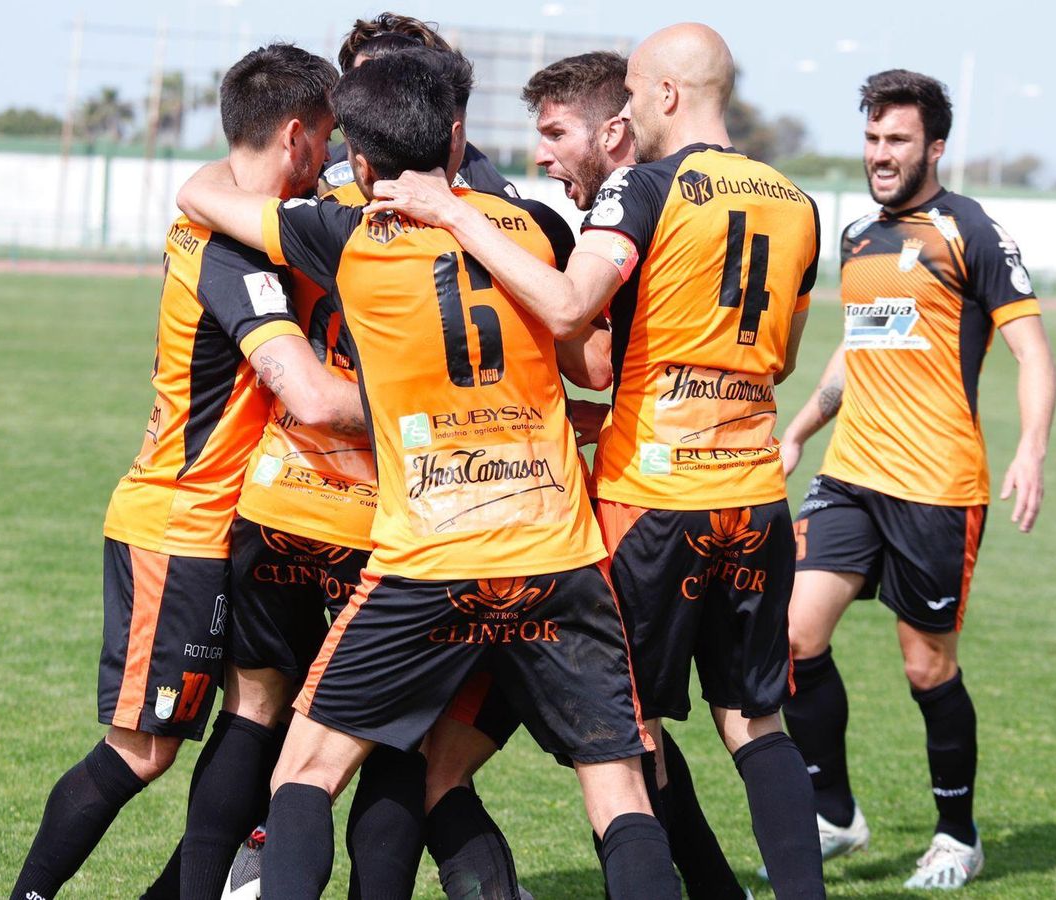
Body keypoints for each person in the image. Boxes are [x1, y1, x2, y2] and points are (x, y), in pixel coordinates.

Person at [176, 50, 680, 900]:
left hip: (428, 558)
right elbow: (587, 360)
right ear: (456, 139)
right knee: (619, 791)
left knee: (304, 769)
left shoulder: (340, 237)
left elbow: (202, 194)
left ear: (360, 164)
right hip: (556, 552)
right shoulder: (536, 229)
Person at [371, 22, 828, 898]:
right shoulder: (797, 201)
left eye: (635, 88)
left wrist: (454, 212)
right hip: (756, 495)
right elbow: (782, 355)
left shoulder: (645, 187)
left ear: (662, 96)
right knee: (756, 721)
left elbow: (570, 307)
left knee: (630, 740)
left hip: (652, 500)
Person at [6, 43, 363, 900]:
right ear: (295, 137)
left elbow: (216, 175)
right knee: (144, 749)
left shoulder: (236, 202)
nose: (337, 157)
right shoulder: (227, 250)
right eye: (328, 137)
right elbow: (310, 397)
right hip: (178, 524)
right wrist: (446, 418)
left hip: (230, 520)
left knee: (268, 715)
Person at [776, 69, 1056, 890]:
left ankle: (958, 834)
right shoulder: (858, 233)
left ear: (935, 146)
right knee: (793, 639)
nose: (879, 154)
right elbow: (860, 346)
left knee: (926, 670)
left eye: (896, 140)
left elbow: (1032, 352)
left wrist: (1032, 447)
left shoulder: (972, 231)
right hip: (852, 475)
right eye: (871, 138)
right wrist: (798, 430)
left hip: (936, 488)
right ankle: (835, 814)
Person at [519, 48, 753, 900]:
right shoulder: (738, 194)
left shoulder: (637, 201)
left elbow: (592, 351)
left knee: (620, 743)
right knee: (671, 731)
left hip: (628, 509)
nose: (542, 156)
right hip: (713, 488)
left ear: (613, 128)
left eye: (554, 133)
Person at [319, 12, 518, 199]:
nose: (375, 97)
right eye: (363, 82)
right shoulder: (326, 170)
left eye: (390, 84)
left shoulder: (485, 187)